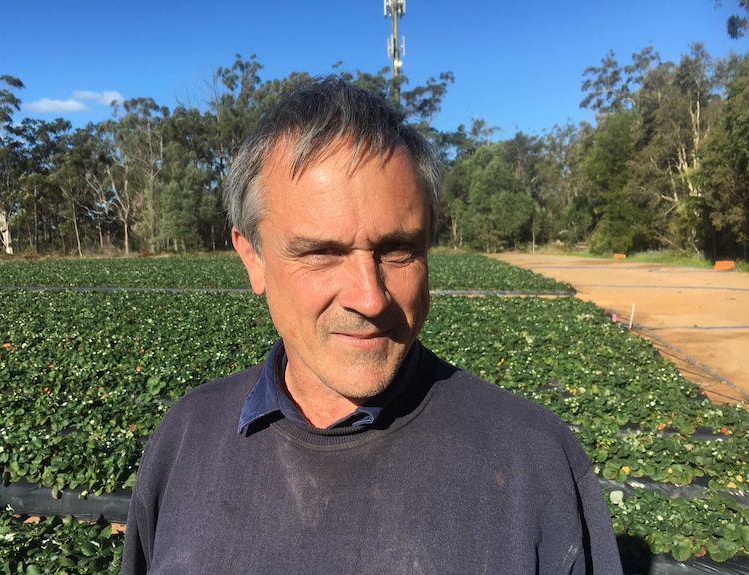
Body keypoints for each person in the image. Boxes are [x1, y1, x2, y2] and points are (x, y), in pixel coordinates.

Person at [121, 77, 622, 574]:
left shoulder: (534, 461)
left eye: (398, 250)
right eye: (321, 253)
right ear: (252, 257)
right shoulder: (186, 436)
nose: (370, 297)